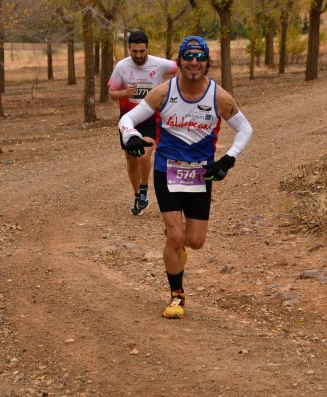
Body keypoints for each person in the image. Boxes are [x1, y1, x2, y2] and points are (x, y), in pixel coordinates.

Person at [118, 36, 253, 319]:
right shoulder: (163, 92)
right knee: (176, 236)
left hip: (200, 174)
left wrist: (228, 159)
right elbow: (127, 119)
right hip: (166, 169)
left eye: (199, 58)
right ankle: (176, 296)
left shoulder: (219, 97)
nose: (194, 63)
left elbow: (245, 129)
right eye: (188, 58)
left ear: (207, 63)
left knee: (195, 241)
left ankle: (177, 245)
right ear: (179, 62)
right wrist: (130, 136)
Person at [108, 31, 178, 216]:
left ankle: (145, 189)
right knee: (131, 160)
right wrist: (123, 93)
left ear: (147, 48)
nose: (138, 55)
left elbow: (180, 68)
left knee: (143, 156)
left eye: (142, 51)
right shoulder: (122, 66)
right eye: (134, 51)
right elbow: (111, 93)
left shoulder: (160, 63)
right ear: (129, 49)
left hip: (150, 117)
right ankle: (137, 195)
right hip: (128, 119)